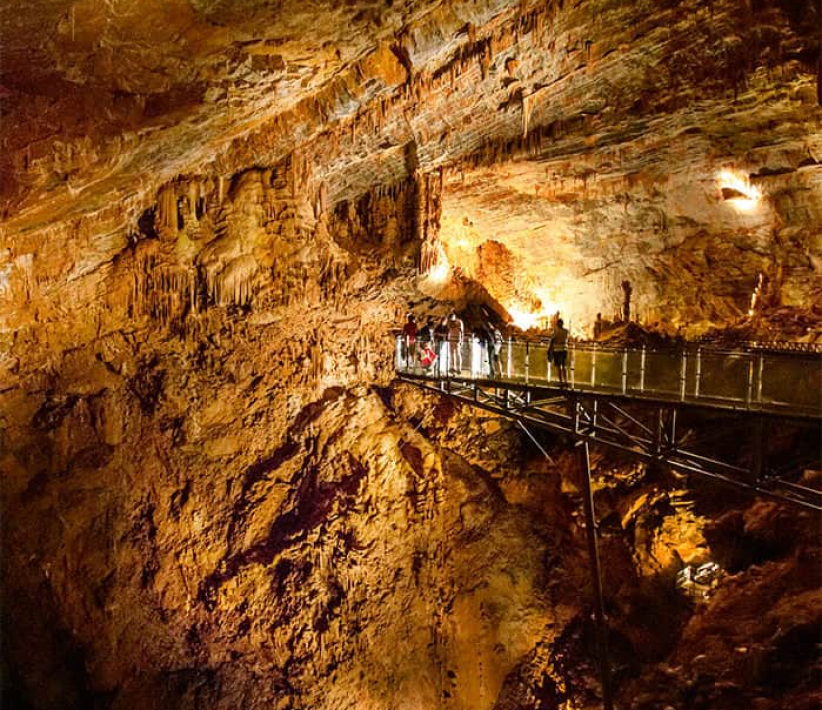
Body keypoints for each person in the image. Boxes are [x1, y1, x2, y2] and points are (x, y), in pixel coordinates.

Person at [547, 317, 569, 386]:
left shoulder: (556, 331)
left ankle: (561, 382)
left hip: (557, 350)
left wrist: (549, 350)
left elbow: (552, 340)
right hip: (564, 350)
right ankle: (566, 381)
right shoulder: (566, 331)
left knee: (558, 367)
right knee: (564, 366)